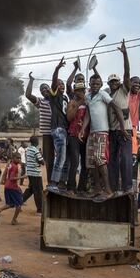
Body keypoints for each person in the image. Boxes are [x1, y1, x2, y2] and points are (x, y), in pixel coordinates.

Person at [82, 74, 128, 198]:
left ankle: (108, 190)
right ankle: (97, 188)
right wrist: (83, 129)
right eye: (93, 84)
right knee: (92, 161)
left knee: (100, 159)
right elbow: (88, 114)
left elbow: (117, 109)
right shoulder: (88, 97)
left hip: (102, 131)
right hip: (92, 132)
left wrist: (122, 128)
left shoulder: (103, 95)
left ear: (101, 85)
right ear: (90, 84)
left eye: (97, 84)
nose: (95, 86)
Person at [107, 40, 134, 193]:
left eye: (116, 81)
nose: (114, 83)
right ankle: (114, 188)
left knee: (125, 159)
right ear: (109, 83)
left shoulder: (124, 91)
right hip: (113, 131)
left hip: (125, 130)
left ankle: (127, 187)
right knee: (112, 161)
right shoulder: (108, 96)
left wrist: (125, 54)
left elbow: (127, 73)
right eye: (112, 81)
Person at [47, 58, 70, 191]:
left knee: (65, 158)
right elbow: (54, 82)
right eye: (59, 84)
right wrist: (57, 69)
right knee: (60, 157)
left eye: (63, 84)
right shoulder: (54, 95)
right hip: (58, 129)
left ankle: (62, 183)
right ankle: (53, 183)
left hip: (65, 130)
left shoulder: (65, 98)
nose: (61, 86)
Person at [25, 72, 54, 180]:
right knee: (48, 159)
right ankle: (50, 182)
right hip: (47, 134)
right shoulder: (41, 102)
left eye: (45, 88)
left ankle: (60, 182)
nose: (44, 91)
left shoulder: (57, 100)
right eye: (41, 90)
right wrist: (31, 80)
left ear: (50, 89)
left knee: (61, 158)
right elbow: (28, 95)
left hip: (59, 132)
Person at [66, 82, 88, 192]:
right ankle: (71, 187)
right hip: (74, 135)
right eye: (78, 90)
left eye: (82, 90)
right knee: (74, 162)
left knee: (85, 163)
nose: (81, 92)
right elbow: (69, 118)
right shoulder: (72, 102)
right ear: (74, 91)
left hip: (85, 136)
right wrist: (79, 103)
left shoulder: (89, 103)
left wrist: (86, 101)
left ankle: (82, 188)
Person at [0, 153, 25, 225]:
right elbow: (12, 178)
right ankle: (14, 220)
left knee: (10, 204)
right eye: (17, 158)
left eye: (20, 158)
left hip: (7, 187)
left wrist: (3, 181)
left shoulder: (10, 164)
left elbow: (5, 173)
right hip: (12, 187)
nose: (19, 159)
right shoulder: (14, 167)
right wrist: (22, 177)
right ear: (13, 158)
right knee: (19, 204)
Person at [23, 136, 44, 213]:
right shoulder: (35, 150)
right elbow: (42, 162)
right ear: (36, 142)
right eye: (38, 140)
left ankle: (20, 200)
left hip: (30, 172)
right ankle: (40, 209)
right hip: (36, 173)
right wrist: (42, 159)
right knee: (38, 191)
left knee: (31, 189)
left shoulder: (28, 149)